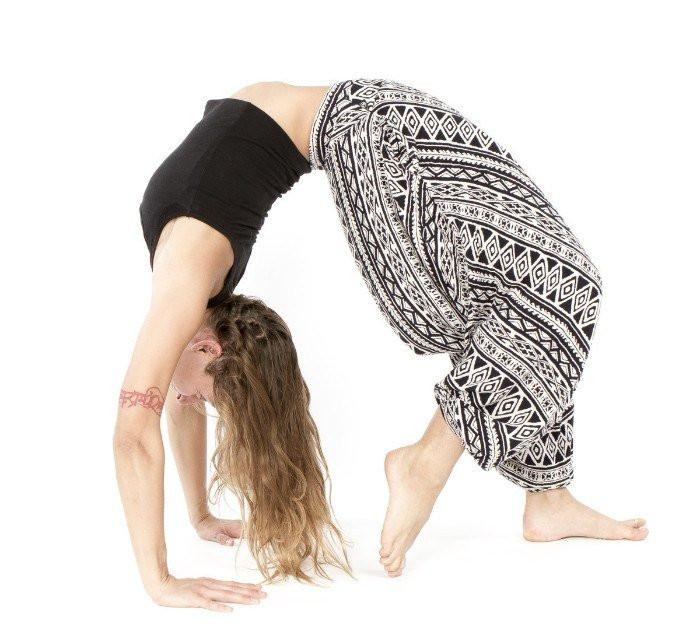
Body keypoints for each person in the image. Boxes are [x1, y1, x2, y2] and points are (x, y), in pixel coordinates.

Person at [114, 79, 647, 611]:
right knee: (506, 300)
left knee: (555, 286)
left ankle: (426, 464)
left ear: (209, 350)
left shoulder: (183, 288)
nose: (191, 401)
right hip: (364, 115)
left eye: (208, 399)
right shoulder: (192, 299)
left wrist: (159, 581)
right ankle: (547, 495)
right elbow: (178, 403)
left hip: (365, 129)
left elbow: (134, 435)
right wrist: (200, 516)